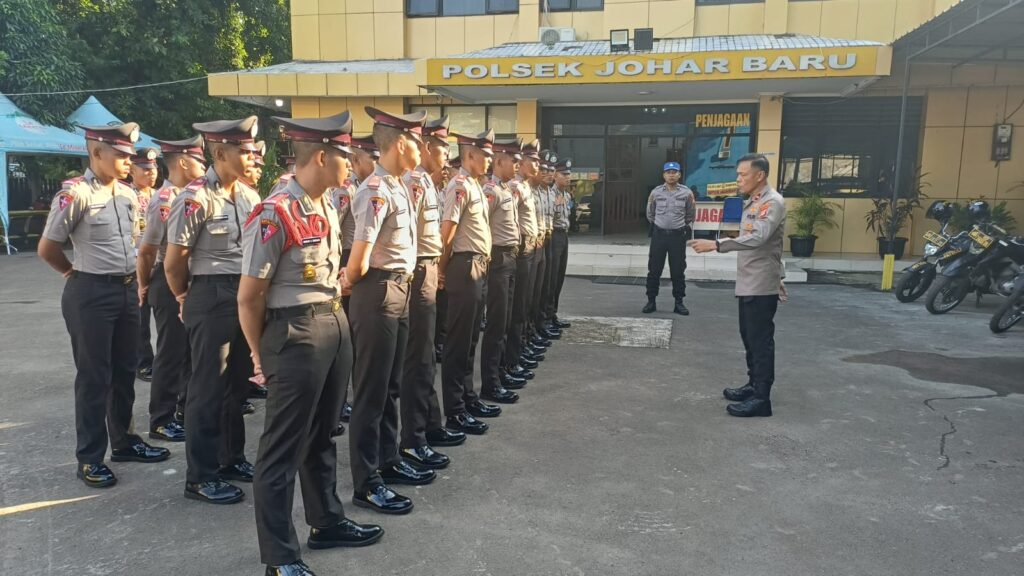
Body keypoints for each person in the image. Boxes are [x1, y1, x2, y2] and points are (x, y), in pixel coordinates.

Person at [238, 112, 384, 576]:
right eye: (344, 155)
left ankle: (326, 521)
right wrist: (260, 353)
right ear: (321, 156)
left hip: (332, 322)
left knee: (322, 434)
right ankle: (280, 556)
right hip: (295, 333)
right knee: (281, 449)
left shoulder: (324, 204)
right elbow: (249, 297)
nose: (352, 163)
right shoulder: (275, 211)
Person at [37, 122, 170, 488]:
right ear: (96, 153)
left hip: (126, 290)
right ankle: (90, 457)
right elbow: (47, 248)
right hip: (91, 293)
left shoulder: (127, 194)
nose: (129, 162)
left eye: (130, 156)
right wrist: (72, 274)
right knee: (94, 377)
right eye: (121, 155)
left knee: (125, 371)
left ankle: (124, 442)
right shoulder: (75, 194)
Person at [165, 116, 262, 504]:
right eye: (244, 151)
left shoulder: (248, 196)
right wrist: (184, 297)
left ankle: (230, 457)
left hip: (243, 293)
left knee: (236, 385)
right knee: (207, 388)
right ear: (220, 153)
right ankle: (201, 476)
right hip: (210, 293)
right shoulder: (195, 198)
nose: (251, 157)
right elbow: (174, 262)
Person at [345, 107, 434, 516]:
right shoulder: (375, 189)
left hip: (399, 288)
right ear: (400, 144)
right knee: (371, 390)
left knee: (390, 384)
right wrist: (349, 282)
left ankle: (387, 459)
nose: (423, 149)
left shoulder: (398, 185)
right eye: (418, 142)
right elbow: (359, 257)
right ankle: (366, 482)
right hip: (378, 291)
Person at [689, 153, 787, 418]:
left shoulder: (772, 202)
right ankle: (753, 384)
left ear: (760, 175)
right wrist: (780, 276)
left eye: (743, 174)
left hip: (760, 283)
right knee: (749, 336)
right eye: (738, 174)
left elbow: (759, 238)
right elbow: (775, 244)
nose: (738, 179)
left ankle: (762, 399)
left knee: (760, 341)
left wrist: (717, 244)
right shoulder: (753, 201)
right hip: (750, 281)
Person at [398, 115, 466, 470]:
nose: (445, 155)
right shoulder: (412, 181)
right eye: (441, 149)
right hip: (416, 270)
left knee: (425, 357)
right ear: (425, 148)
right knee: (417, 359)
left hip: (427, 268)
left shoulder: (426, 180)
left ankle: (431, 424)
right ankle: (413, 439)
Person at [138, 135, 206, 442]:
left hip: (190, 280)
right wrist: (143, 285)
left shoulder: (191, 196)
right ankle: (161, 418)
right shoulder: (165, 200)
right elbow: (147, 251)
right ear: (183, 162)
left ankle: (183, 409)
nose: (204, 167)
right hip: (167, 282)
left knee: (190, 352)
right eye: (199, 161)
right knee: (171, 352)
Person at [439, 129, 500, 435]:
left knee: (471, 339)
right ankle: (455, 410)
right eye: (485, 155)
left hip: (478, 266)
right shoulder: (460, 185)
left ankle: (468, 398)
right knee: (458, 343)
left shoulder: (476, 185)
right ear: (470, 155)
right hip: (463, 268)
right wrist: (441, 269)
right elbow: (447, 234)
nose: (489, 160)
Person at [479, 138, 523, 405]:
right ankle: (490, 383)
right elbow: (482, 226)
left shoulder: (506, 188)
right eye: (513, 161)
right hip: (497, 258)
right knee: (496, 323)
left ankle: (501, 372)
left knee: (506, 319)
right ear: (498, 162)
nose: (517, 165)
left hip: (510, 258)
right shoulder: (491, 191)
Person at [505, 141, 542, 382]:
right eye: (533, 161)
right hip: (519, 250)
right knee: (516, 307)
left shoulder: (525, 186)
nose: (537, 166)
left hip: (529, 246)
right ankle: (511, 359)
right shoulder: (514, 187)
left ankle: (518, 351)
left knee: (525, 303)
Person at [644, 161, 695, 316]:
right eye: (668, 172)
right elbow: (650, 214)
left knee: (678, 271)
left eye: (674, 172)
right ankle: (651, 301)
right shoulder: (655, 192)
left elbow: (690, 214)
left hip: (677, 237)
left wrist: (679, 226)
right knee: (654, 270)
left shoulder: (686, 193)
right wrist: (660, 225)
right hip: (659, 236)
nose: (671, 175)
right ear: (664, 175)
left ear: (679, 175)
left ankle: (679, 302)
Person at [129, 147, 160, 383]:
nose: (151, 173)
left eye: (154, 168)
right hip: (134, 264)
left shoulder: (159, 195)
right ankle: (143, 362)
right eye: (145, 169)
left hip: (158, 263)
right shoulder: (125, 196)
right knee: (139, 318)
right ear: (132, 170)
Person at [548, 159, 572, 330]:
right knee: (552, 277)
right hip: (554, 236)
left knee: (559, 278)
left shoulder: (567, 195)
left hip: (564, 235)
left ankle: (553, 313)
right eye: (564, 174)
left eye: (569, 174)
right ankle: (547, 316)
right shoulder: (551, 194)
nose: (568, 177)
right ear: (555, 175)